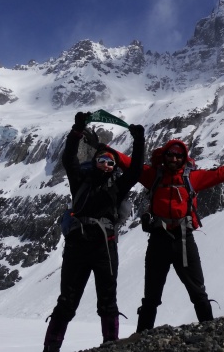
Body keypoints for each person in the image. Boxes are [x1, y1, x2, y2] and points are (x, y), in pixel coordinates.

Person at [111, 139, 224, 332]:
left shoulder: (190, 178)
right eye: (171, 155)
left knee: (197, 292)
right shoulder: (154, 176)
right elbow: (129, 163)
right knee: (151, 297)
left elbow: (220, 174)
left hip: (183, 239)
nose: (174, 159)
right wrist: (105, 150)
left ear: (184, 158)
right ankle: (141, 340)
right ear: (164, 156)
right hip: (159, 240)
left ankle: (209, 335)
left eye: (178, 156)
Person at [42, 112, 145, 352]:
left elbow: (136, 170)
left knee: (108, 300)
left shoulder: (117, 187)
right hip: (80, 244)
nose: (107, 165)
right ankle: (51, 348)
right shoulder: (80, 179)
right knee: (67, 300)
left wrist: (139, 141)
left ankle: (110, 346)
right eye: (102, 161)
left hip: (103, 246)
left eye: (111, 162)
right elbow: (69, 158)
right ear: (95, 162)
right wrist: (76, 130)